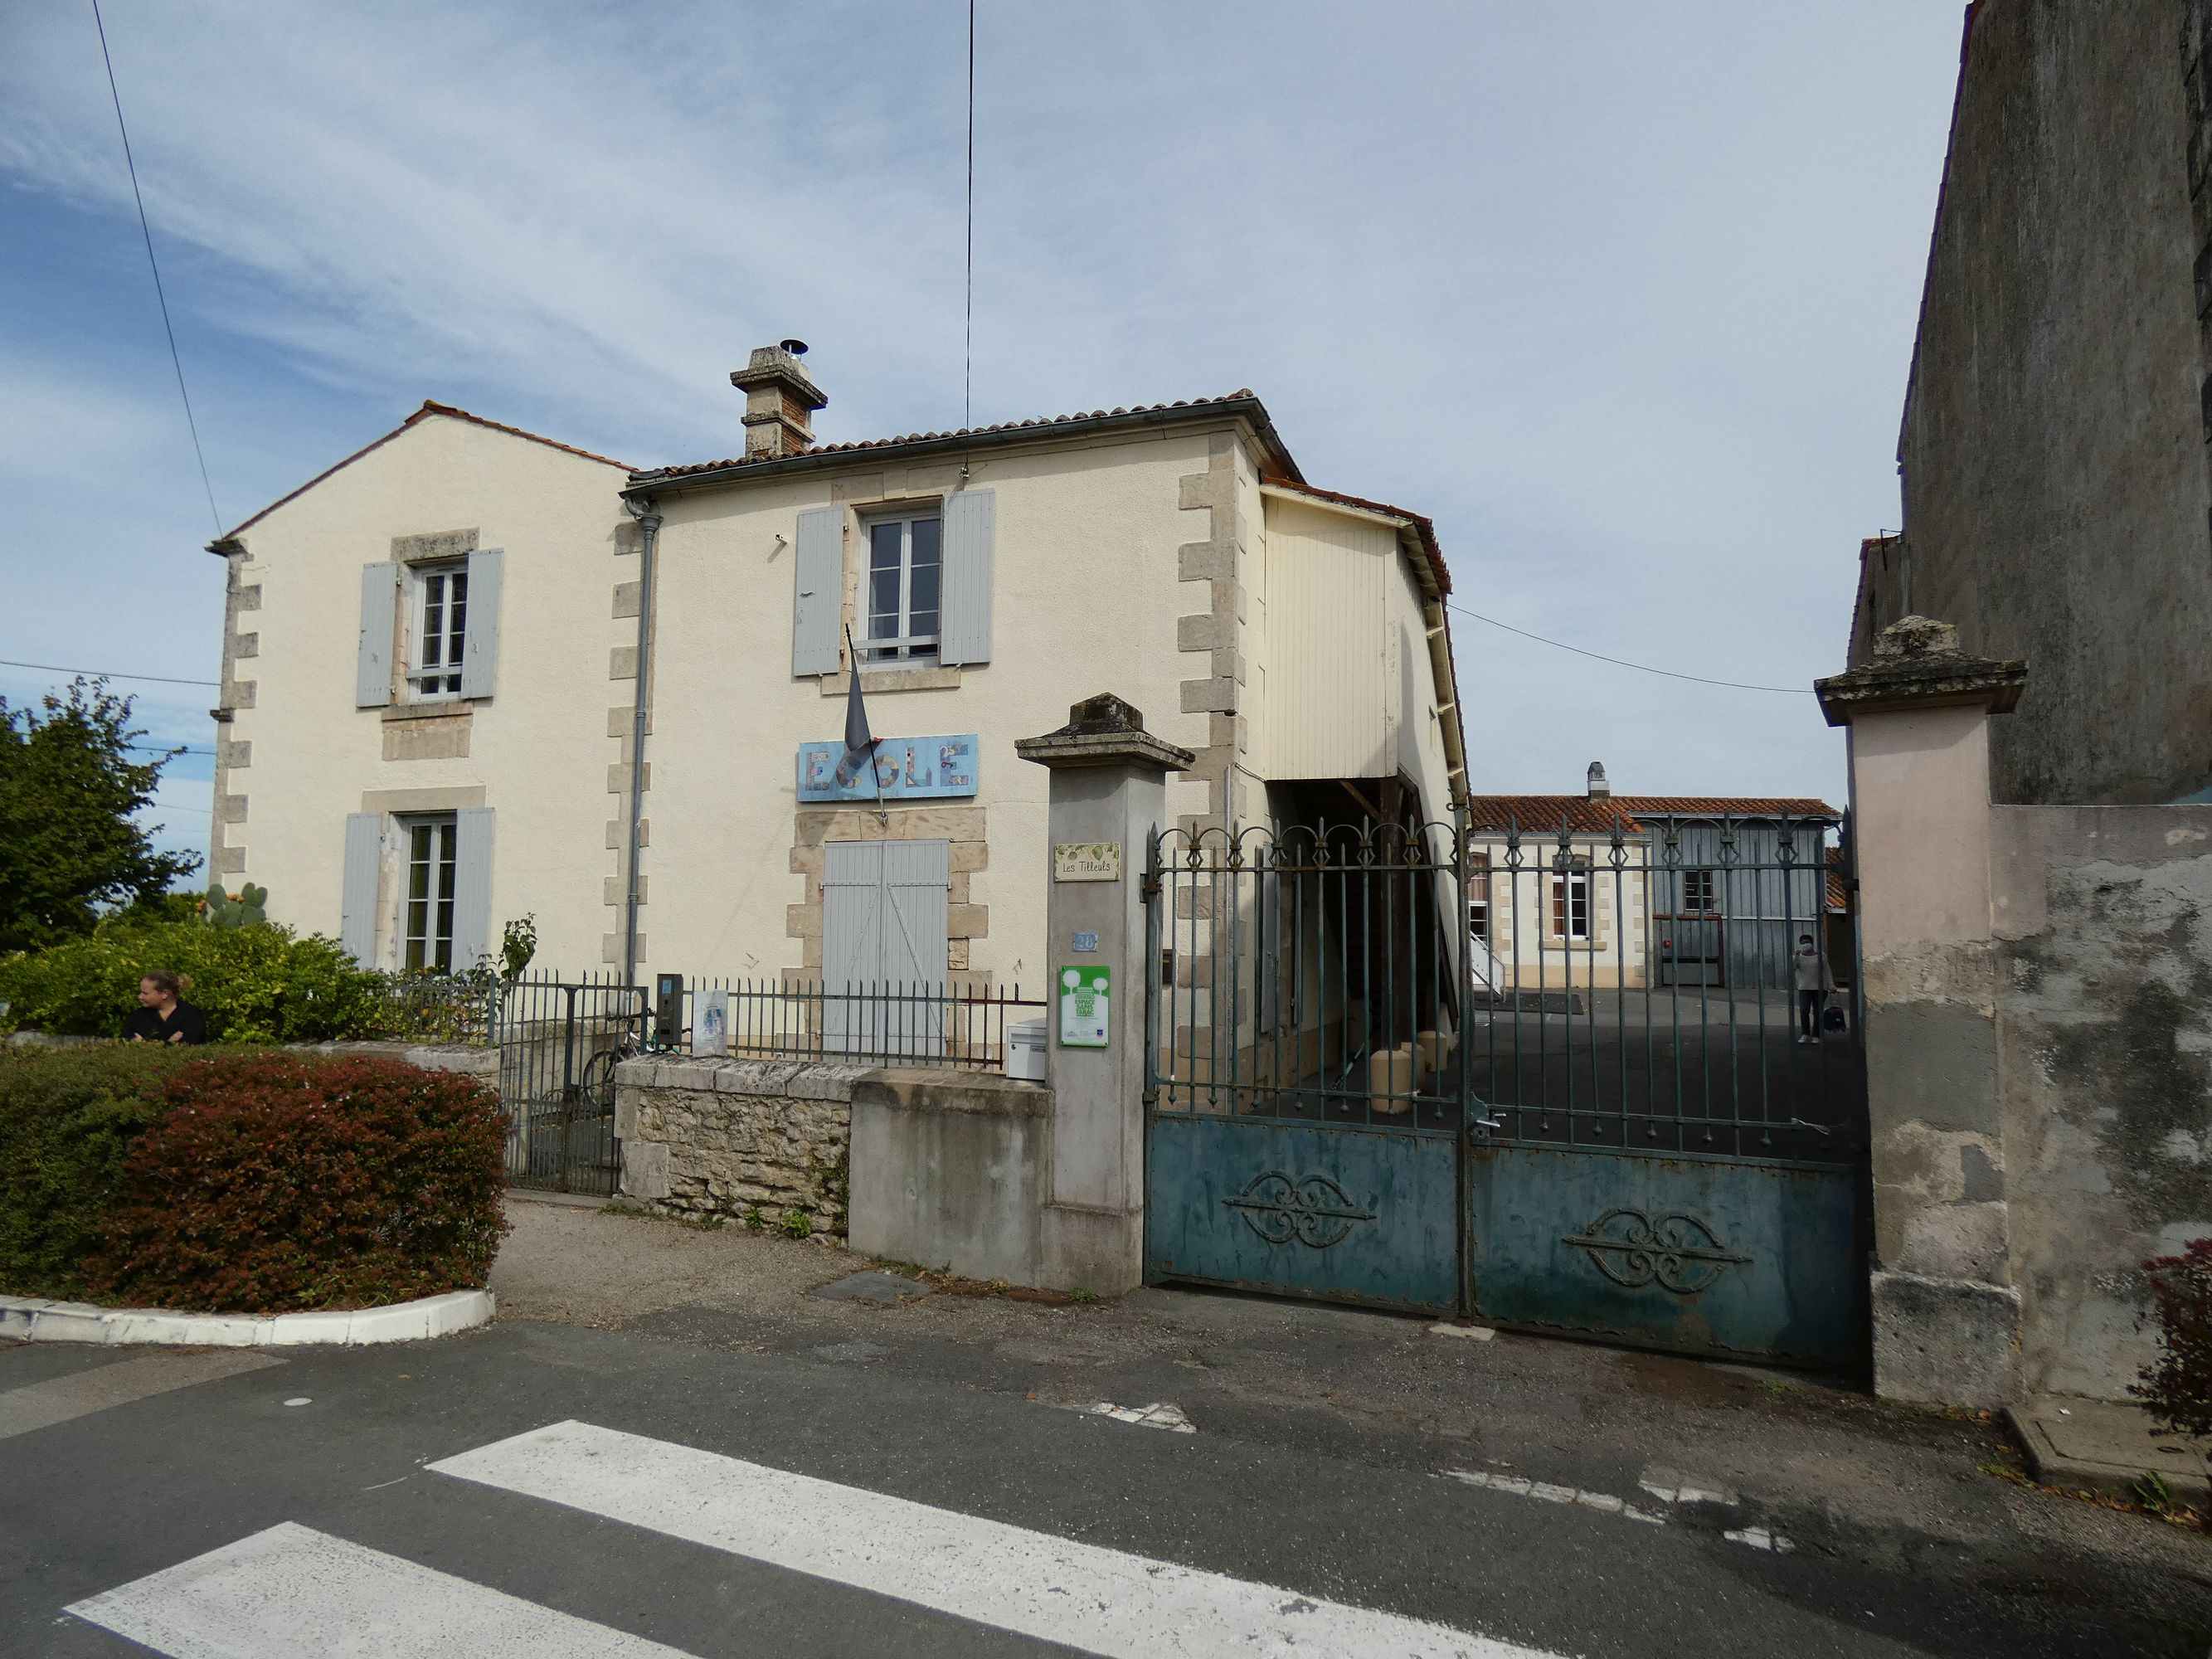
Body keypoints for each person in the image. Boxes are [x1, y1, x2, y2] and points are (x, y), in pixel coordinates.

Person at [122, 971, 208, 1045]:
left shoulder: (191, 1015)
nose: (140, 997)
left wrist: (146, 1044)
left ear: (165, 994)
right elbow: (127, 1041)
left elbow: (190, 1044)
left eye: (145, 993)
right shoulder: (137, 1017)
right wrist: (169, 1042)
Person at [1791, 934, 1833, 1044]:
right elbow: (1792, 969)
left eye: (1807, 942)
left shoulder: (1821, 955)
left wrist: (1831, 985)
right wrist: (1795, 956)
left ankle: (1816, 1035)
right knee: (1804, 1010)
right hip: (1804, 987)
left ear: (1812, 943)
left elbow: (1827, 970)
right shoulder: (1798, 956)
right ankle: (1805, 1033)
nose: (1805, 944)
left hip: (1820, 988)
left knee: (1818, 1012)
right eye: (1803, 943)